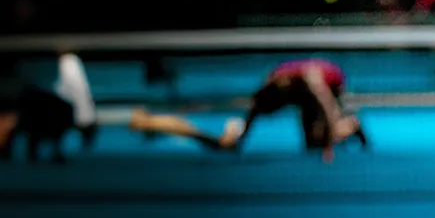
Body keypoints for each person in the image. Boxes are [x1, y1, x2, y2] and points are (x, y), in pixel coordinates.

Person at [127, 57, 365, 158]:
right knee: (310, 143)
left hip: (331, 86)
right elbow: (255, 108)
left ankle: (352, 125)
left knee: (320, 138)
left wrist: (328, 147)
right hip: (298, 91)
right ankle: (335, 134)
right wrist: (241, 138)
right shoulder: (271, 86)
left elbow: (327, 105)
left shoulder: (313, 82)